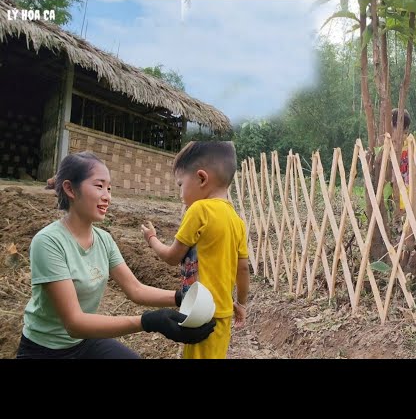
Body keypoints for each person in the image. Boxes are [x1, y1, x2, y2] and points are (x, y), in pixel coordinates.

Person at [17, 152, 215, 359]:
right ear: (70, 189)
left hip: (84, 342)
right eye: (99, 186)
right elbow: (74, 323)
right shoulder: (48, 242)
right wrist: (148, 322)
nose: (107, 196)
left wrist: (181, 298)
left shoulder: (104, 240)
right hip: (44, 350)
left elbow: (136, 290)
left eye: (109, 188)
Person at [141, 140, 250, 359]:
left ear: (201, 178)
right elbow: (243, 269)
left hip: (201, 311)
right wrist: (241, 303)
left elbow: (172, 257)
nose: (180, 192)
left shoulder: (199, 210)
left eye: (180, 184)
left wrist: (151, 239)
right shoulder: (237, 221)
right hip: (223, 313)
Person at [391, 108, 411, 212]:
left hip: (406, 189)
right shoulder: (388, 146)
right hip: (392, 189)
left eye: (405, 133)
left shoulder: (410, 146)